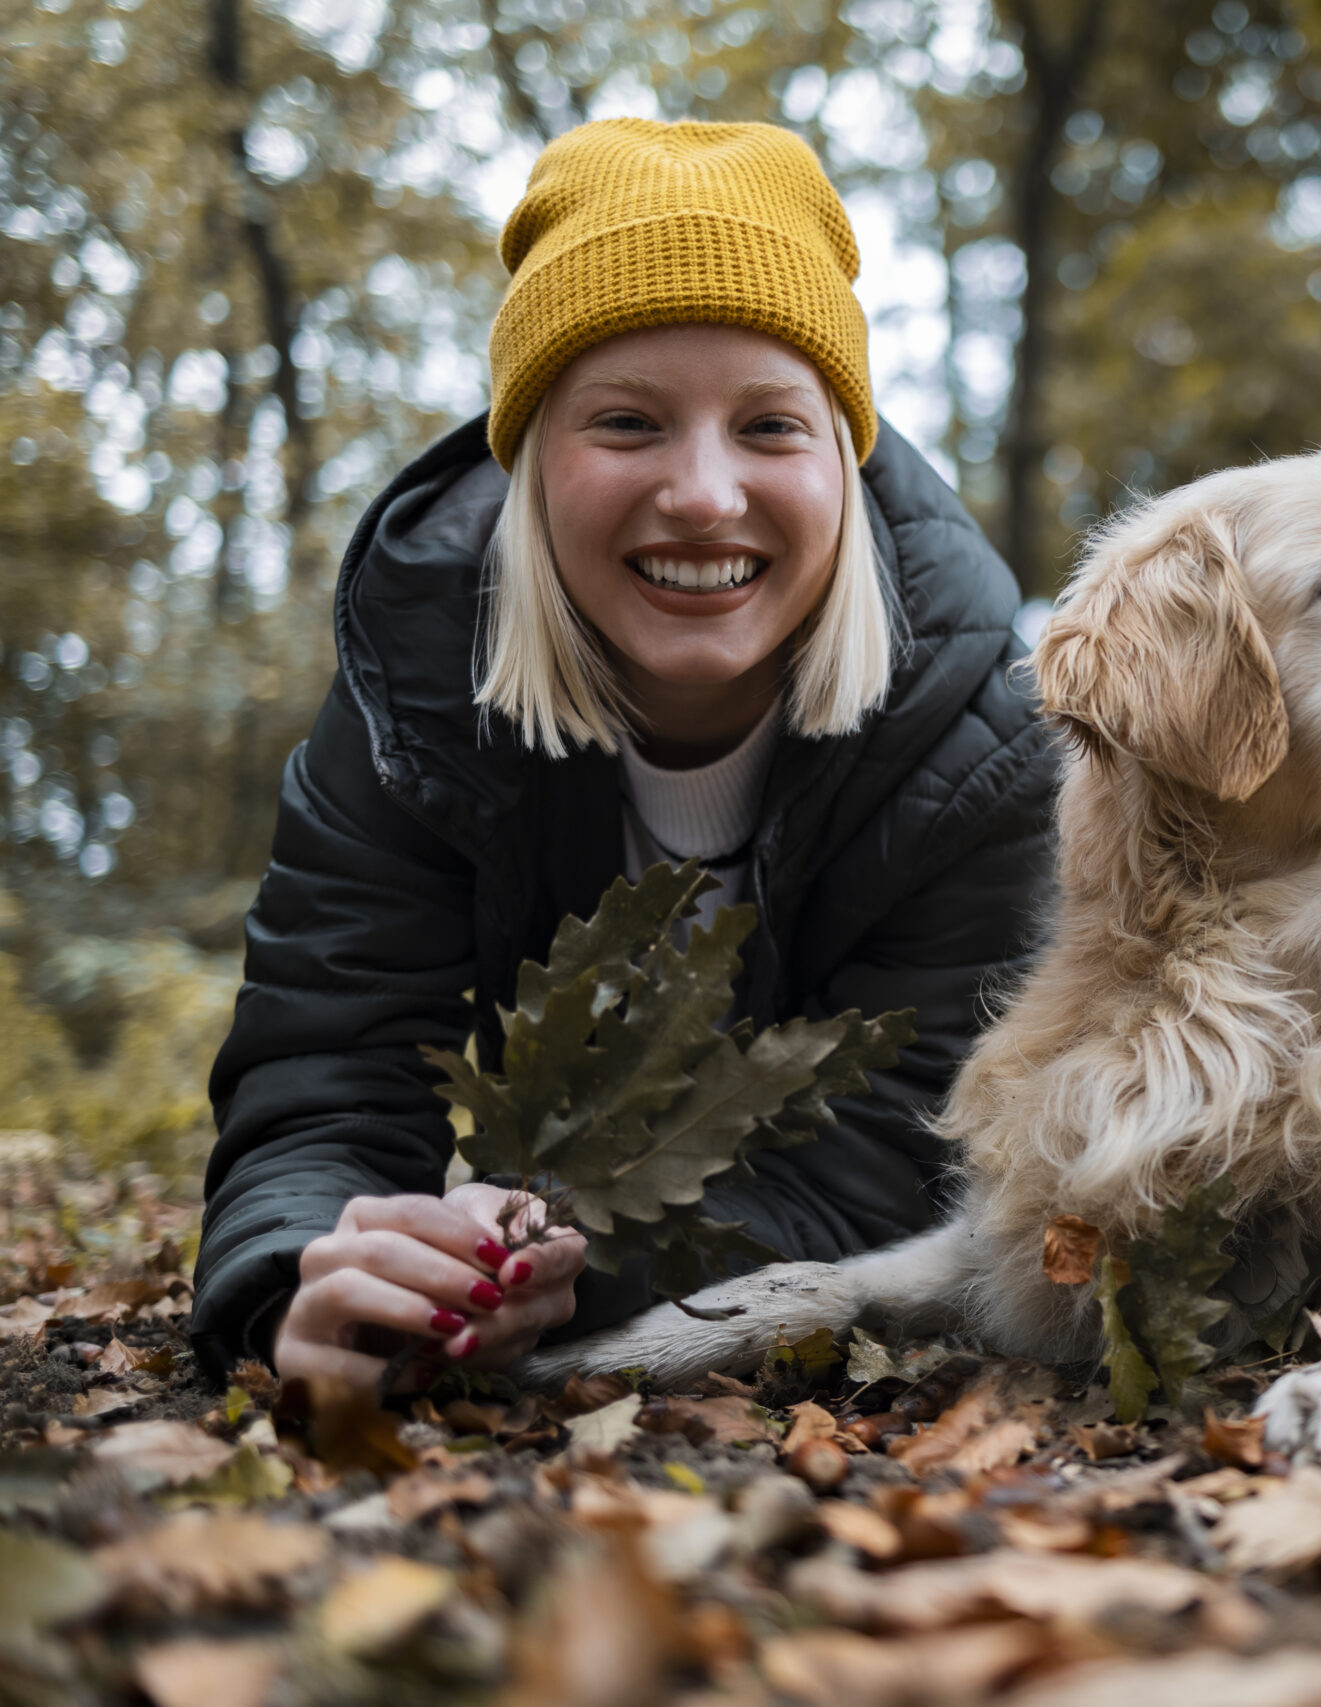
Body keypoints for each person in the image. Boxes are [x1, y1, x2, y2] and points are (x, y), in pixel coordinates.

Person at [188, 119, 1056, 1387]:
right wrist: (312, 1277)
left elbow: (905, 1152)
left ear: (844, 462)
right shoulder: (413, 690)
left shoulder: (974, 736)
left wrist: (569, 1265)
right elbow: (323, 1067)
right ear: (534, 463)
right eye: (626, 423)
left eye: (770, 426)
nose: (704, 494)